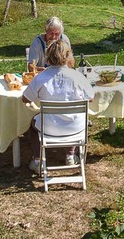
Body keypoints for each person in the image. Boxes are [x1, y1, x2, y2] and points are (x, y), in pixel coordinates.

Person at [20, 36, 90, 173]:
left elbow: (25, 99)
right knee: (72, 118)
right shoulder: (78, 77)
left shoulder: (41, 77)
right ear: (68, 56)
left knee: (33, 125)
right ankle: (70, 155)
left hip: (48, 128)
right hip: (76, 128)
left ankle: (38, 161)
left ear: (48, 58)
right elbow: (91, 97)